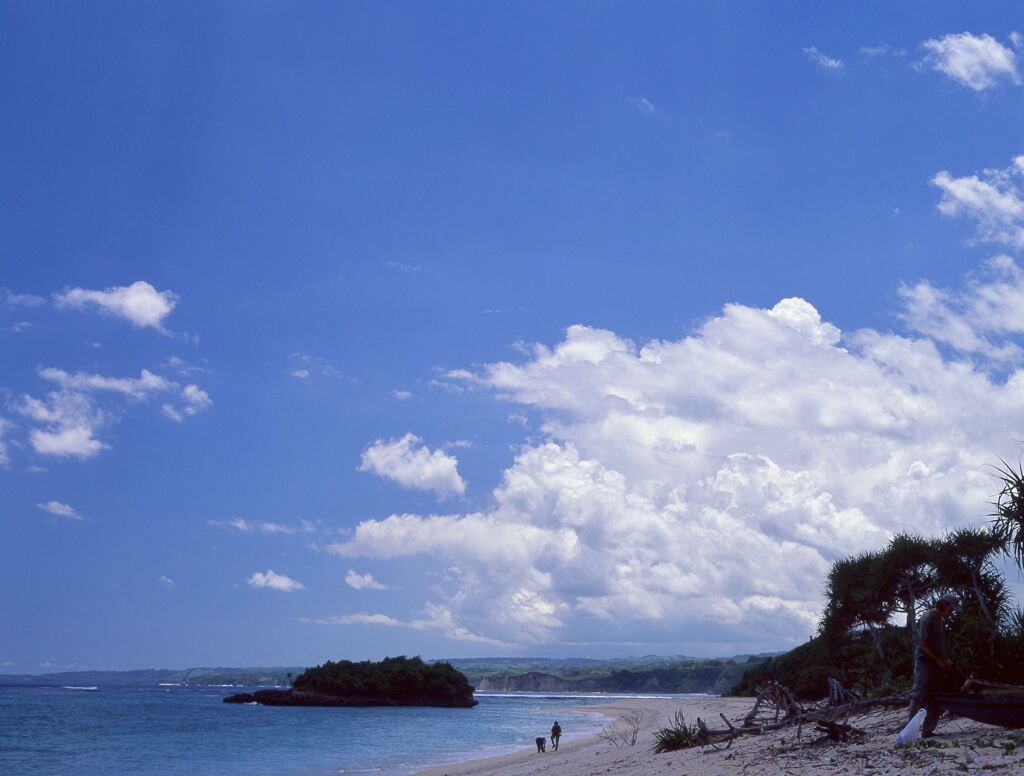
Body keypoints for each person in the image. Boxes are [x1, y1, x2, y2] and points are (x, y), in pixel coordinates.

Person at [908, 593, 958, 738]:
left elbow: (939, 645)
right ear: (945, 605)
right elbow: (922, 644)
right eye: (951, 609)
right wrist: (939, 660)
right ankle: (909, 732)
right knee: (918, 694)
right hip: (925, 661)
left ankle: (927, 731)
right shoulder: (928, 618)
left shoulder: (940, 620)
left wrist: (945, 660)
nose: (951, 612)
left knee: (935, 696)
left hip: (936, 662)